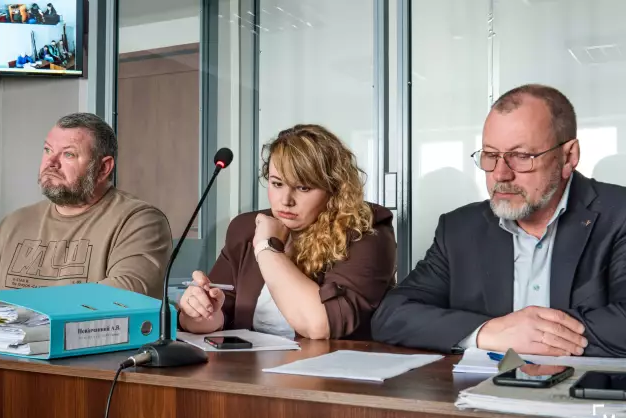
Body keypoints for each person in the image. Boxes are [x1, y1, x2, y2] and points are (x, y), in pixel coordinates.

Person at [372, 83, 626, 358]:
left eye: (521, 156)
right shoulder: (459, 229)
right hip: (482, 385)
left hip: (591, 385)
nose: (500, 174)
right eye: (491, 155)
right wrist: (489, 332)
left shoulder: (618, 215)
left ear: (568, 156)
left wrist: (534, 335)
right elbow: (392, 315)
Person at [178, 124, 396, 340]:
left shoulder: (364, 232)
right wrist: (199, 312)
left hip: (330, 362)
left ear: (335, 189)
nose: (286, 200)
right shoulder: (245, 228)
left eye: (303, 188)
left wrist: (266, 248)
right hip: (249, 362)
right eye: (277, 184)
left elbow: (320, 325)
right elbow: (221, 311)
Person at [0, 113, 172, 299]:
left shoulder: (139, 221)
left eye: (68, 154)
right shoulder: (14, 223)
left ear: (103, 168)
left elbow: (122, 298)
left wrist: (19, 312)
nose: (51, 162)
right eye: (47, 150)